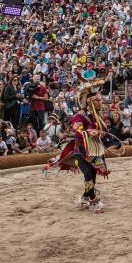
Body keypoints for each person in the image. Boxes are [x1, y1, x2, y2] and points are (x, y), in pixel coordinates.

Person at [45, 77, 111, 213]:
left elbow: (103, 130)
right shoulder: (79, 116)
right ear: (90, 102)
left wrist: (101, 132)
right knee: (87, 174)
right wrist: (90, 131)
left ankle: (86, 196)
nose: (101, 102)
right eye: (98, 100)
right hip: (80, 151)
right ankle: (93, 202)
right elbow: (77, 131)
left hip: (95, 150)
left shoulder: (98, 116)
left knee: (92, 175)